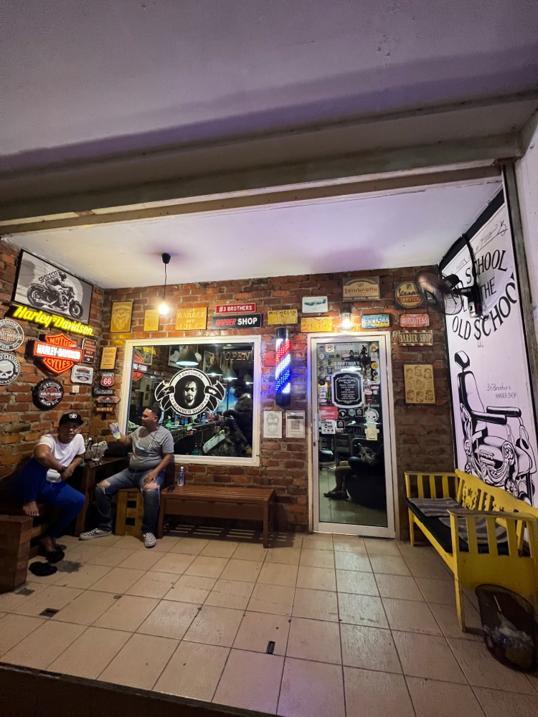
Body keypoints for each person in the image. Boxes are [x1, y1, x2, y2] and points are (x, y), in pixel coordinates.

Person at [80, 404, 173, 548]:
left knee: (151, 491)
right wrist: (116, 431)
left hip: (150, 471)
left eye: (145, 416)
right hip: (130, 472)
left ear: (155, 418)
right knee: (101, 488)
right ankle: (104, 527)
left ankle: (148, 531)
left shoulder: (165, 434)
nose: (141, 418)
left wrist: (155, 472)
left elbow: (168, 457)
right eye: (142, 415)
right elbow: (125, 442)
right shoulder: (139, 430)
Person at [12, 412, 86, 561]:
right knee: (36, 464)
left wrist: (72, 467)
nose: (71, 430)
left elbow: (80, 456)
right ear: (58, 428)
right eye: (66, 427)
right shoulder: (48, 439)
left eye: (74, 427)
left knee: (78, 500)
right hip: (32, 483)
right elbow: (42, 455)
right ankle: (29, 500)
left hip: (53, 484)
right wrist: (62, 469)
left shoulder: (78, 439)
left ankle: (50, 535)